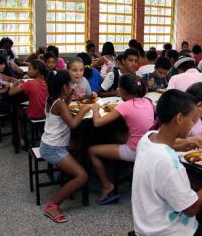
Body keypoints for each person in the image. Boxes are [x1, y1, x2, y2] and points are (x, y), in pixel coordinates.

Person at [132, 89, 202, 235]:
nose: (193, 124)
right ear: (179, 118)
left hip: (146, 223)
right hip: (168, 231)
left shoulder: (147, 138)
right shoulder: (168, 162)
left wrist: (187, 142)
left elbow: (170, 143)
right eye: (193, 120)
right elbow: (191, 209)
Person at [88, 74, 155, 204]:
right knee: (117, 132)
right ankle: (126, 168)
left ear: (122, 91)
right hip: (149, 147)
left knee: (91, 151)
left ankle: (107, 185)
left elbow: (97, 123)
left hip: (134, 150)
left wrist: (95, 108)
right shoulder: (147, 101)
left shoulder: (125, 106)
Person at [40, 70, 90, 223]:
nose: (72, 86)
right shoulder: (60, 104)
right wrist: (83, 110)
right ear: (64, 87)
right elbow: (74, 124)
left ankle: (70, 174)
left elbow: (62, 108)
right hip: (53, 148)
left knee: (82, 147)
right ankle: (52, 205)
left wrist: (68, 97)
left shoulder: (54, 99)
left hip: (50, 143)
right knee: (82, 176)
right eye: (69, 84)